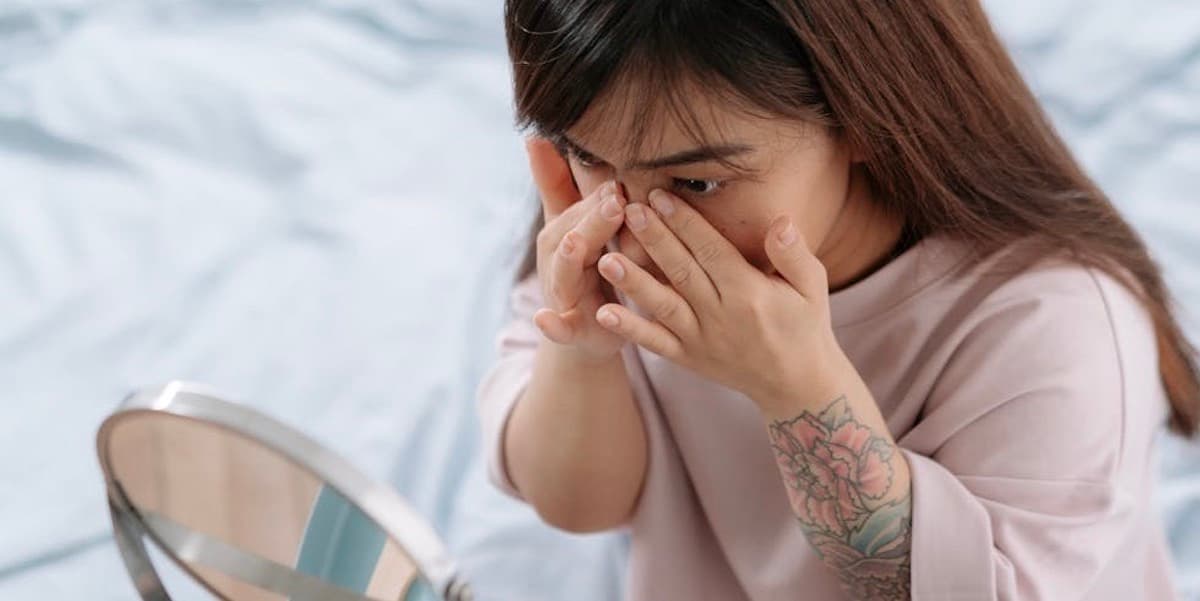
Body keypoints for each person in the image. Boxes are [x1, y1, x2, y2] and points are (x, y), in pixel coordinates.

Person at [475, 2, 1200, 599]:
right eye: (587, 154)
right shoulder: (600, 217)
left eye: (697, 184)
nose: (636, 228)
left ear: (864, 119)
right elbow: (581, 505)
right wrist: (581, 350)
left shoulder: (1054, 325)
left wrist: (793, 386)